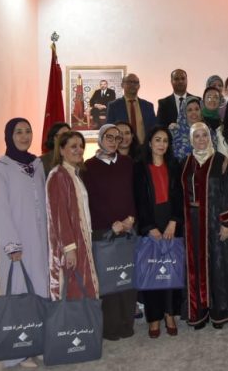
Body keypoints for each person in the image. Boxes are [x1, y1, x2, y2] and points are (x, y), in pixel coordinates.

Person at [0, 118, 48, 369]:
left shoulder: (37, 164)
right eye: (18, 132)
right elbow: (0, 210)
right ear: (9, 136)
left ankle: (39, 344)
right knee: (19, 295)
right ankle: (18, 353)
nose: (24, 136)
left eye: (28, 131)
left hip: (41, 241)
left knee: (40, 292)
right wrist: (12, 244)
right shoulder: (0, 168)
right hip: (18, 244)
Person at [180, 122, 228, 329]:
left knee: (218, 266)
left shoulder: (221, 161)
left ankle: (220, 313)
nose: (201, 139)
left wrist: (227, 223)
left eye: (204, 135)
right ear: (191, 139)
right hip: (192, 225)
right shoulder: (184, 163)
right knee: (195, 268)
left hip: (216, 223)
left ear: (210, 137)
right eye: (197, 136)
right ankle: (198, 313)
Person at [83, 124, 137, 340]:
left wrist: (131, 218)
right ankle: (111, 327)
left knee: (126, 278)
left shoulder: (127, 163)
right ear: (100, 138)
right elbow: (91, 201)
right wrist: (111, 224)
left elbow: (133, 193)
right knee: (109, 281)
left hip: (127, 228)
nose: (114, 141)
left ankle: (127, 324)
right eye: (109, 137)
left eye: (117, 138)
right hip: (103, 232)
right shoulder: (88, 166)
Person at [134, 126, 184, 338]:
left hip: (170, 222)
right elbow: (139, 200)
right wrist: (149, 227)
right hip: (150, 224)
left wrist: (174, 222)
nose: (162, 144)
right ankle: (153, 318)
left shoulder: (174, 165)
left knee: (171, 270)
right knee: (152, 272)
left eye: (165, 140)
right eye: (157, 140)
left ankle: (169, 314)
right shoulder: (139, 167)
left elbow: (179, 196)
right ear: (150, 143)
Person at [46, 131, 99, 302]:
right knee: (72, 288)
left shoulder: (73, 174)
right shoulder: (58, 175)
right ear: (61, 150)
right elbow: (59, 216)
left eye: (81, 146)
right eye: (73, 146)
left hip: (81, 238)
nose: (79, 150)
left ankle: (84, 318)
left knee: (83, 286)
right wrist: (69, 249)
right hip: (70, 244)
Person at [107, 73, 156, 145]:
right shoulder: (114, 106)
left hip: (143, 148)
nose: (133, 85)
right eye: (129, 82)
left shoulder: (148, 106)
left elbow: (154, 129)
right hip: (122, 147)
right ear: (122, 85)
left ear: (139, 86)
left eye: (136, 82)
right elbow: (109, 129)